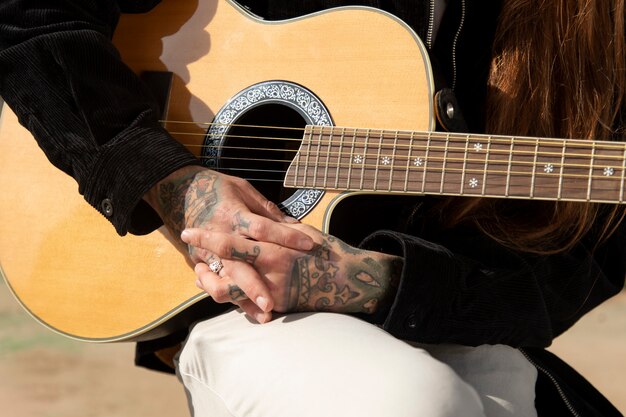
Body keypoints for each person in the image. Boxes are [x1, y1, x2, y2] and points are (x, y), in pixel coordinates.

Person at [1, 0, 625, 416]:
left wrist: (368, 281)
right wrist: (173, 179)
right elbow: (29, 17)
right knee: (409, 401)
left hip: (453, 312)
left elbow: (573, 269)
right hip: (242, 311)